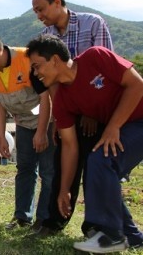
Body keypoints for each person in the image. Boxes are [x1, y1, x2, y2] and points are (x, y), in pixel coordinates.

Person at [26, 33, 143, 254]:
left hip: (138, 119)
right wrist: (63, 190)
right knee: (99, 169)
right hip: (122, 128)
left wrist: (113, 126)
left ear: (55, 60)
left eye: (37, 66)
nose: (36, 73)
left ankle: (108, 234)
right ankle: (132, 236)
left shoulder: (95, 56)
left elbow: (137, 85)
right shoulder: (62, 100)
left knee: (101, 159)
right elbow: (69, 146)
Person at [30, 0, 115, 237]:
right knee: (62, 166)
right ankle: (54, 221)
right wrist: (58, 118)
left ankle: (94, 227)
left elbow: (105, 71)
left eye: (41, 8)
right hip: (67, 111)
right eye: (35, 11)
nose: (38, 15)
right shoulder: (47, 37)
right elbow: (51, 81)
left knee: (93, 167)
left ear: (57, 2)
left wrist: (90, 112)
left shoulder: (93, 24)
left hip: (96, 112)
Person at [0, 29, 55, 230]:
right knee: (24, 169)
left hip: (46, 120)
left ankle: (45, 220)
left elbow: (45, 97)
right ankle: (22, 217)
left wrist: (42, 132)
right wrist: (1, 137)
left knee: (48, 172)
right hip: (23, 123)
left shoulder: (26, 59)